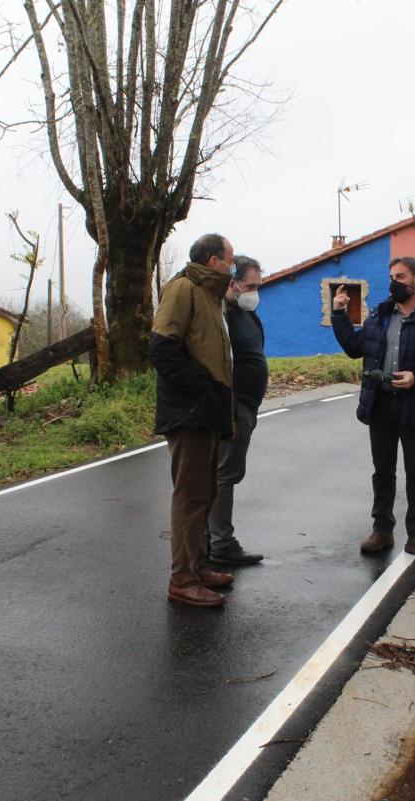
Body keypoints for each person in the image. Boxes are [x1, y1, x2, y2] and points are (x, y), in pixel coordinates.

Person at [331, 256, 415, 563]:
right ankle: (382, 531)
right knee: (383, 471)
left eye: (400, 276)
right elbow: (354, 347)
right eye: (392, 276)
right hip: (381, 403)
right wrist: (339, 312)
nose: (394, 282)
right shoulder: (380, 315)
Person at [149, 233, 238, 607]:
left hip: (208, 408)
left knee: (205, 491)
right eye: (229, 259)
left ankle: (197, 566)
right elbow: (162, 348)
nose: (233, 266)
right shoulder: (184, 288)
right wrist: (200, 387)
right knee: (189, 494)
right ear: (214, 261)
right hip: (189, 410)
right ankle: (182, 579)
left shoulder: (211, 296)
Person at [208, 255, 268, 566]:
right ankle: (221, 543)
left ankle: (214, 540)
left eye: (258, 286)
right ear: (232, 283)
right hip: (233, 405)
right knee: (225, 474)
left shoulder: (245, 313)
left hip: (246, 404)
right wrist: (230, 407)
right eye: (249, 286)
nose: (255, 293)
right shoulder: (221, 314)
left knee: (226, 473)